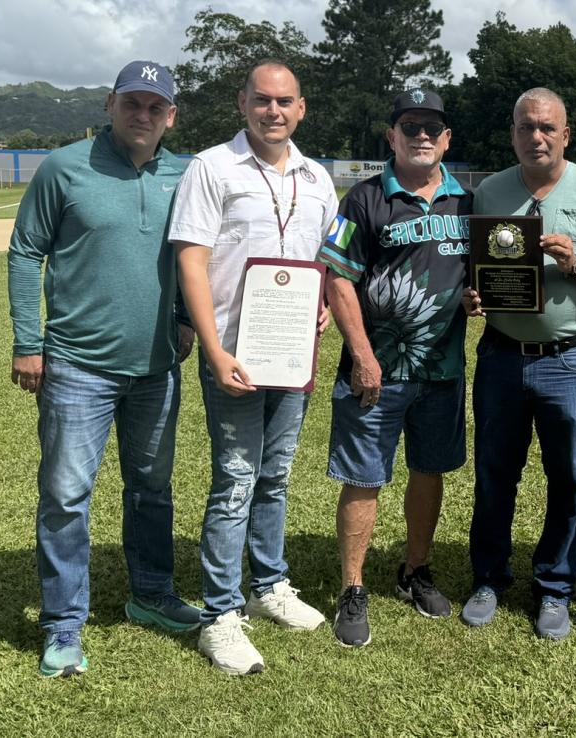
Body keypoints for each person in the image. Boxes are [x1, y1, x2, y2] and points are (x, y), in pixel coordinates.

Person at [7, 60, 201, 678]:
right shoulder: (65, 166)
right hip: (75, 366)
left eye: (156, 107)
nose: (143, 116)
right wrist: (28, 342)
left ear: (171, 116)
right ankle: (64, 623)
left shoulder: (186, 172)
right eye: (132, 103)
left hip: (156, 368)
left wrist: (186, 319)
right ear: (111, 104)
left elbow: (194, 256)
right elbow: (24, 251)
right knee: (66, 495)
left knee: (152, 490)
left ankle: (150, 594)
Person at [169, 60, 338, 675]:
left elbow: (320, 260)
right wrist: (213, 350)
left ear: (301, 108)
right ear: (243, 103)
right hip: (236, 354)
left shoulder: (319, 178)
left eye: (285, 101)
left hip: (289, 357)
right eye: (263, 100)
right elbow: (192, 260)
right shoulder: (212, 167)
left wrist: (320, 306)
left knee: (275, 474)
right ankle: (220, 613)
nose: (274, 111)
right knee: (236, 478)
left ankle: (269, 585)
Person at [460, 88, 576, 640]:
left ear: (565, 134)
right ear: (513, 133)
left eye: (546, 127)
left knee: (568, 480)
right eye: (524, 127)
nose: (535, 136)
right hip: (501, 355)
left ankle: (555, 587)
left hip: (570, 359)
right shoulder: (490, 189)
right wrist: (474, 297)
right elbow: (478, 269)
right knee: (494, 475)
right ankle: (489, 577)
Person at [319, 89, 472, 648]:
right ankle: (353, 588)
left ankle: (415, 569)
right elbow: (337, 277)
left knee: (428, 470)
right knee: (364, 477)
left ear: (447, 139)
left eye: (433, 126)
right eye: (410, 125)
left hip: (441, 369)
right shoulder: (362, 198)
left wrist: (478, 297)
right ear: (392, 136)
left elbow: (479, 275)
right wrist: (361, 354)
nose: (422, 135)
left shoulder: (466, 201)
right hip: (375, 372)